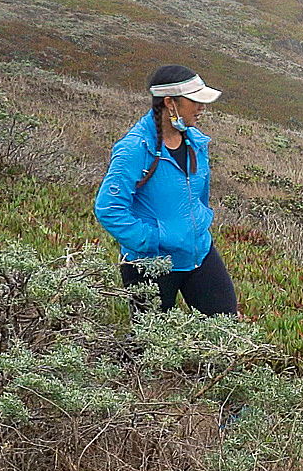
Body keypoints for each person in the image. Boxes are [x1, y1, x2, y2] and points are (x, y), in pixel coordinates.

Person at [94, 64, 237, 316]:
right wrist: (154, 241)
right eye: (195, 101)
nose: (202, 108)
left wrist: (200, 222)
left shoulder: (196, 142)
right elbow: (109, 209)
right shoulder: (134, 149)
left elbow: (200, 194)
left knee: (225, 328)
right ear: (170, 103)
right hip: (151, 264)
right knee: (150, 344)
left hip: (199, 252)